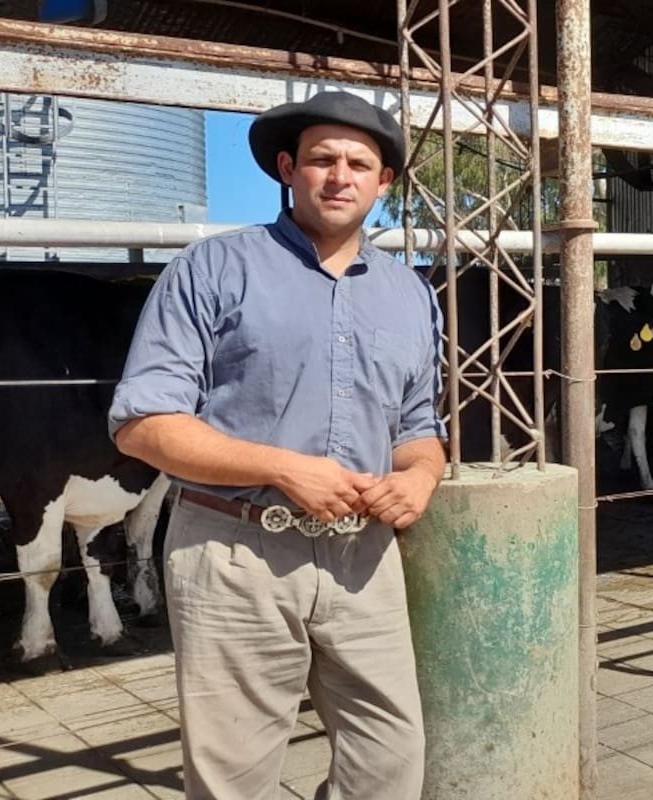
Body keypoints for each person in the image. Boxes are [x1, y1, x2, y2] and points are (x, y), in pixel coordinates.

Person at [109, 91, 446, 800]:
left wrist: (420, 477)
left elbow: (419, 427)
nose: (340, 176)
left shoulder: (411, 294)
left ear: (384, 182)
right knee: (235, 780)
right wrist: (283, 467)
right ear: (289, 169)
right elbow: (144, 423)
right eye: (322, 159)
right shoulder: (213, 269)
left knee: (390, 760)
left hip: (363, 555)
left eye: (360, 164)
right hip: (235, 552)